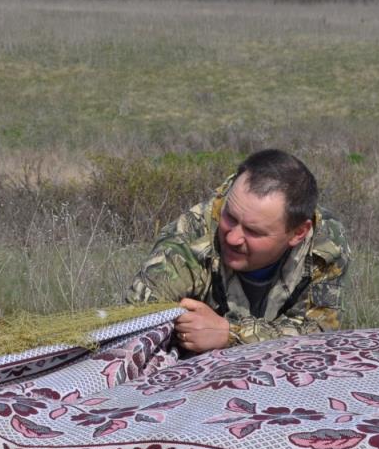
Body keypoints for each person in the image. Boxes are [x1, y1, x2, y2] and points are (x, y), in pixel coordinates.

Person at [126, 149, 349, 353]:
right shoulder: (190, 236)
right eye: (230, 217)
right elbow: (134, 324)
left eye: (253, 231)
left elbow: (319, 335)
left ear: (298, 233)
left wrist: (230, 334)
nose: (232, 238)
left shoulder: (325, 243)